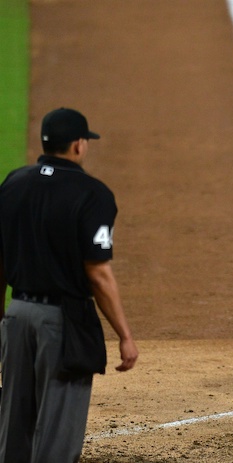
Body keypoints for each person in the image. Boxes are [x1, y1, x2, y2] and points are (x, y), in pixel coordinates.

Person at [0, 107, 139, 462]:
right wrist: (124, 334)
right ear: (78, 145)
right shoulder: (93, 194)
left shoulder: (13, 183)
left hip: (16, 317)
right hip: (61, 325)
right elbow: (98, 273)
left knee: (13, 428)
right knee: (58, 436)